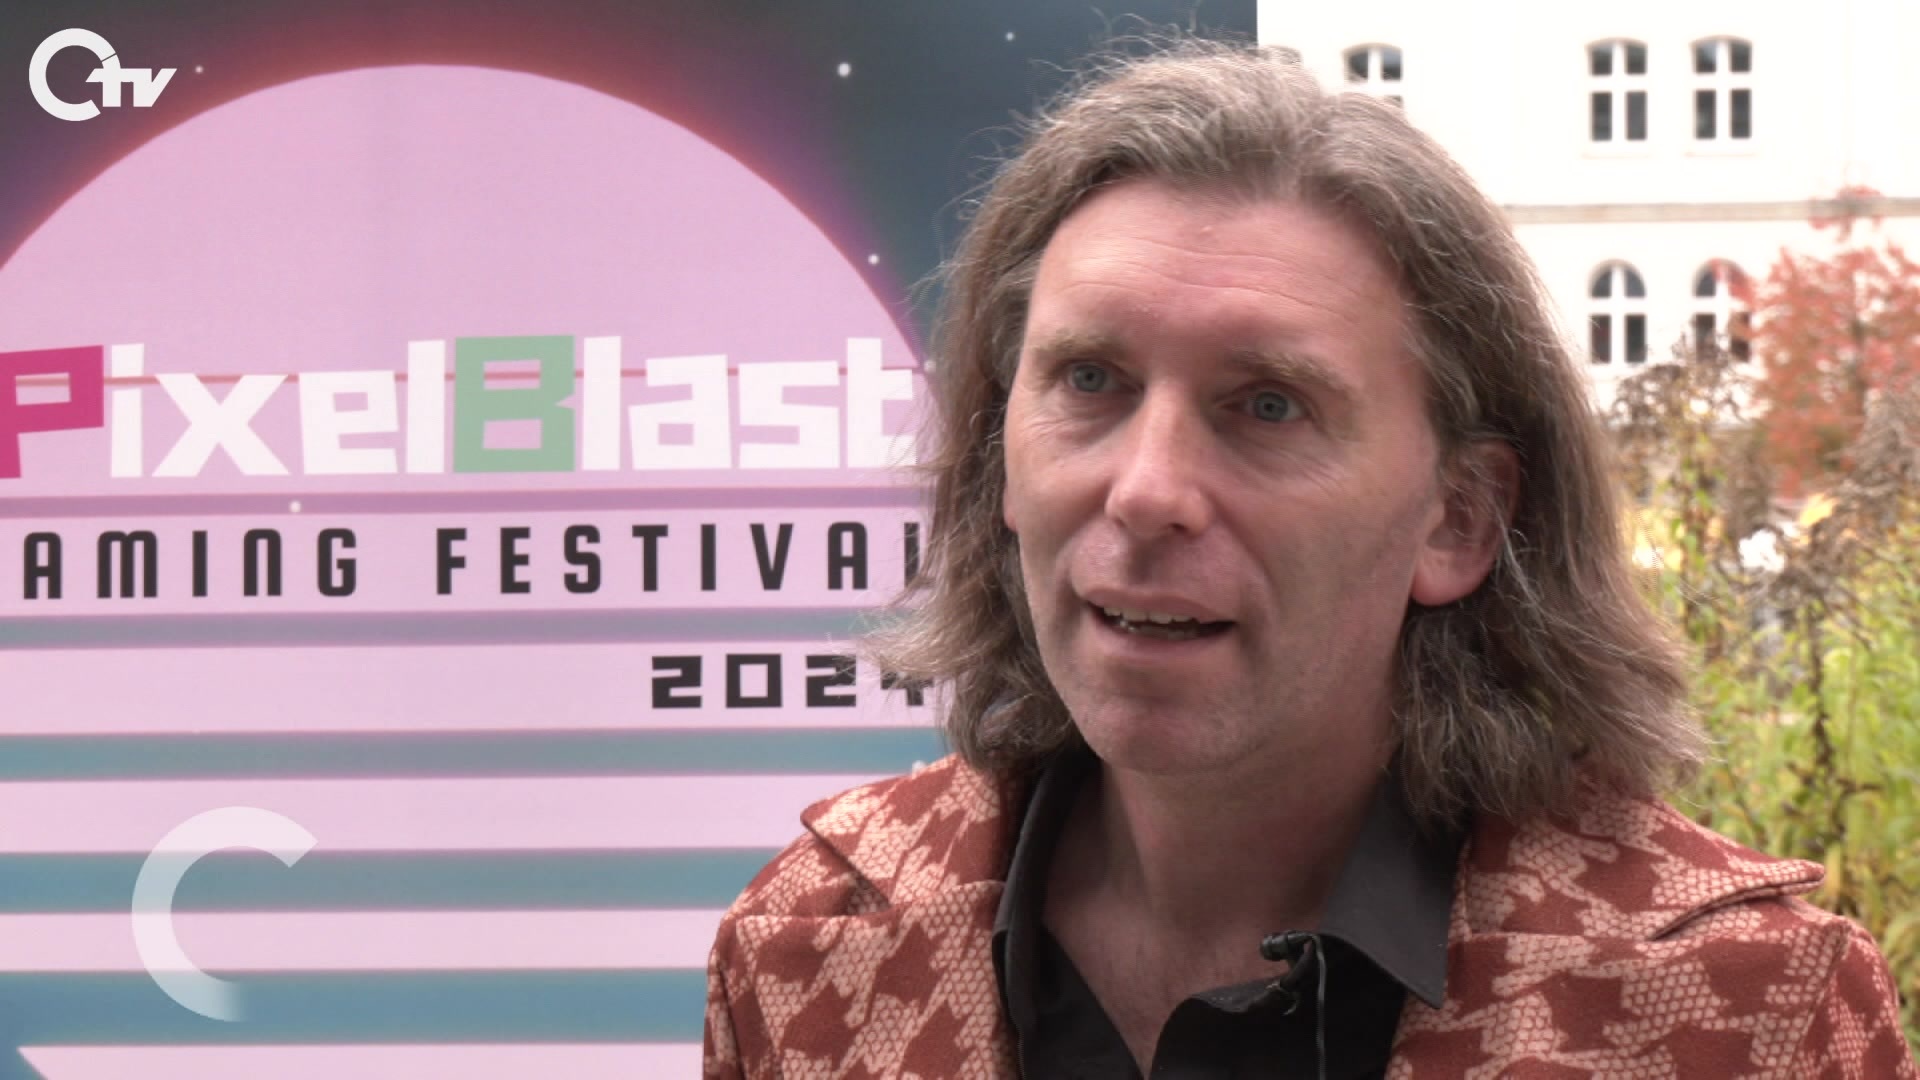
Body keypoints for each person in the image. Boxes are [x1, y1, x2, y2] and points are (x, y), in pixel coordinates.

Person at [702, 40, 1917, 1079]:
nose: (1148, 490)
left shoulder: (1739, 1011)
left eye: (1268, 405)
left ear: (1458, 519)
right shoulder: (815, 951)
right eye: (1091, 380)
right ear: (997, 456)